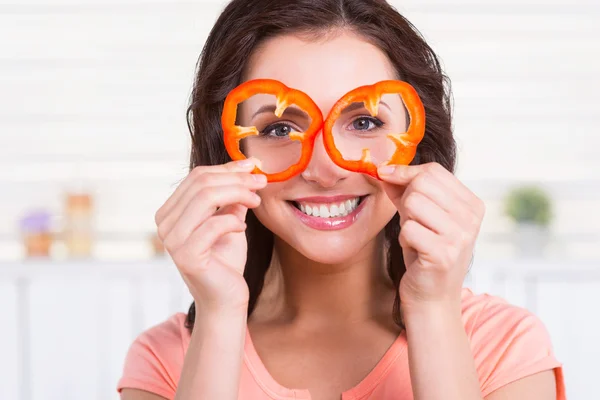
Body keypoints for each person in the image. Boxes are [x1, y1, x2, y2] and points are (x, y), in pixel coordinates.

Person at [117, 0, 566, 399]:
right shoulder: (166, 363)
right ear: (228, 149)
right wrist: (219, 313)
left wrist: (433, 309)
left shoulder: (504, 347)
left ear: (417, 140)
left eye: (365, 123)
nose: (326, 169)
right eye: (278, 128)